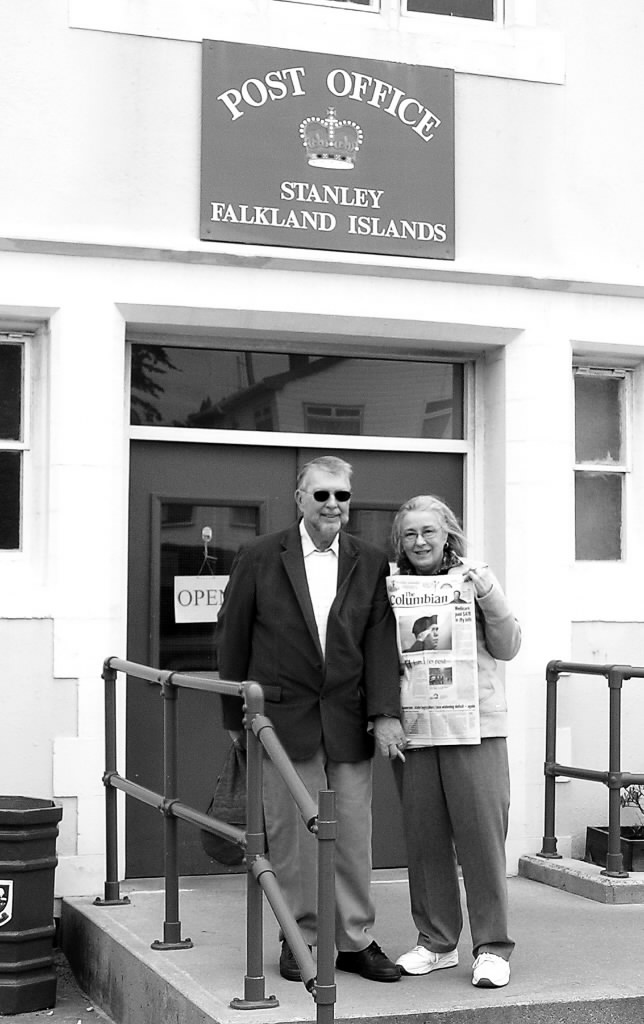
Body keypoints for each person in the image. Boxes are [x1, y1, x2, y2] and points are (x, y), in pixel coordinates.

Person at [215, 455, 403, 984]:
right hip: (280, 721)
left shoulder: (369, 560)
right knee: (292, 837)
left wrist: (385, 713)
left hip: (346, 718)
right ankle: (301, 938)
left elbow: (380, 643)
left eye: (341, 495)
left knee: (351, 834)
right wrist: (236, 715)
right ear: (300, 499)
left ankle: (354, 941)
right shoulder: (258, 556)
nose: (332, 505)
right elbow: (233, 637)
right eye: (321, 494)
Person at [388, 495, 521, 990]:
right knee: (424, 841)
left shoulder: (475, 580)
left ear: (449, 534)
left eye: (428, 531)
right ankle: (436, 942)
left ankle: (492, 948)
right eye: (409, 534)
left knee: (481, 840)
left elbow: (508, 646)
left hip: (476, 727)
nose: (419, 542)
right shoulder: (390, 587)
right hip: (416, 730)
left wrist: (487, 591)